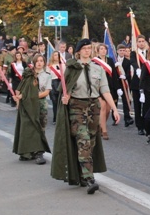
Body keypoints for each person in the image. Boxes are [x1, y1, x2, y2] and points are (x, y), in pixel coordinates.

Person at [50, 39, 120, 194]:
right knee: (83, 141)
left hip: (94, 107)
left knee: (92, 141)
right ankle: (89, 179)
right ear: (79, 51)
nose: (88, 51)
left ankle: (82, 173)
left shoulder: (97, 68)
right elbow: (63, 88)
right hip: (77, 107)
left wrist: (115, 109)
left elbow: (105, 90)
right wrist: (64, 98)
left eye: (90, 48)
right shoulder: (72, 68)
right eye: (85, 49)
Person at [12, 56, 51, 164]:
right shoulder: (28, 75)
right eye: (37, 61)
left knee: (40, 128)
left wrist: (30, 96)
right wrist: (18, 98)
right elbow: (21, 89)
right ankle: (27, 152)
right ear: (33, 63)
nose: (39, 63)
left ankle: (39, 153)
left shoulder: (47, 76)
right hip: (27, 104)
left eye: (41, 61)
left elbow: (46, 92)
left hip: (40, 104)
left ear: (44, 63)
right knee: (27, 127)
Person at [92, 43, 121, 140]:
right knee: (103, 107)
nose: (103, 50)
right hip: (99, 88)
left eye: (105, 49)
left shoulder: (110, 60)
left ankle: (101, 124)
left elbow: (115, 75)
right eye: (101, 49)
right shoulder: (95, 62)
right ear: (97, 50)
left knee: (108, 109)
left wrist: (118, 87)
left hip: (110, 87)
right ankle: (104, 131)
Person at [130, 35, 149, 135]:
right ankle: (139, 127)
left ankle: (146, 125)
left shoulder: (148, 53)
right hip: (136, 83)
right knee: (137, 106)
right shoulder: (134, 53)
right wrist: (137, 68)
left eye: (143, 41)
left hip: (146, 83)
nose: (141, 43)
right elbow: (132, 61)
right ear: (137, 43)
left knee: (146, 105)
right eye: (139, 41)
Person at [116, 44, 134, 127]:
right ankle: (114, 117)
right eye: (121, 50)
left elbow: (129, 73)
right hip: (116, 84)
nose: (122, 52)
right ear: (117, 51)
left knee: (126, 101)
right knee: (114, 100)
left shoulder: (127, 61)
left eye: (124, 50)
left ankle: (127, 118)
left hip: (125, 83)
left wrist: (125, 76)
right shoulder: (114, 61)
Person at [48, 51, 62, 124]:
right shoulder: (49, 66)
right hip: (53, 84)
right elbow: (47, 77)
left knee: (60, 102)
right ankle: (55, 118)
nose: (56, 56)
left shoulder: (63, 65)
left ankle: (60, 118)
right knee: (54, 102)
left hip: (61, 84)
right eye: (55, 55)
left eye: (58, 55)